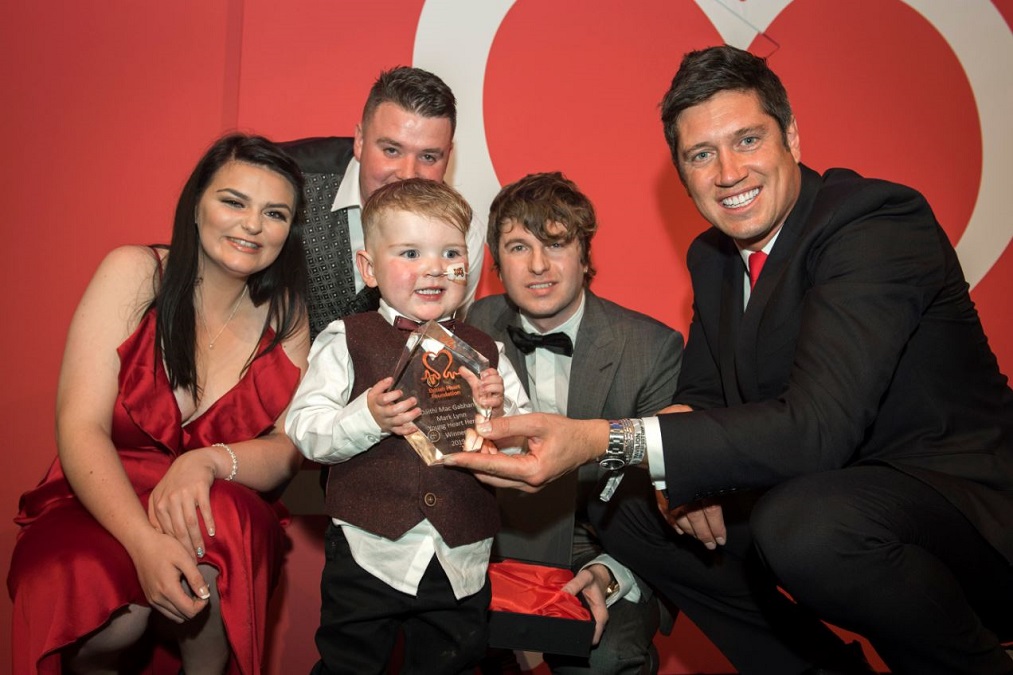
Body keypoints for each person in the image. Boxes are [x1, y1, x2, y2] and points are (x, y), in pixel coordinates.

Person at [444, 45, 1013, 674]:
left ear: (792, 135)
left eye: (747, 140)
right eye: (701, 155)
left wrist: (594, 440)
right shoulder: (712, 258)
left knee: (802, 525)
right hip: (820, 489)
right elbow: (705, 398)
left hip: (959, 506)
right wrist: (679, 476)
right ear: (682, 172)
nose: (728, 172)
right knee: (629, 504)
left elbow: (817, 430)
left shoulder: (871, 221)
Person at [7, 133, 311, 674]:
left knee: (225, 518)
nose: (252, 225)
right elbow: (80, 428)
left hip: (211, 509)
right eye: (233, 201)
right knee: (112, 611)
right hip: (99, 498)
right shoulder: (134, 272)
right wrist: (144, 544)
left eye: (275, 213)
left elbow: (289, 448)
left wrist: (208, 460)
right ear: (196, 205)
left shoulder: (287, 314)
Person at [285, 178, 530, 675]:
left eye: (450, 252)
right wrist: (366, 418)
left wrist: (496, 415)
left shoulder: (489, 352)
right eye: (411, 252)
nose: (434, 268)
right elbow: (303, 428)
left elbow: (525, 445)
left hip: (461, 557)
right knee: (347, 666)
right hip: (367, 549)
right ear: (368, 268)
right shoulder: (345, 338)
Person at [468, 172, 682, 675]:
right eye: (519, 246)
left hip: (601, 545)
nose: (538, 265)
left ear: (585, 258)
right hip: (489, 546)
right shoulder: (470, 326)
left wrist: (611, 572)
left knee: (607, 660)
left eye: (557, 243)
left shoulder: (652, 350)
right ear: (497, 263)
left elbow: (671, 491)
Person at [282, 65, 487, 339]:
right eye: (391, 150)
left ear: (448, 156)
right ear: (360, 140)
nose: (407, 173)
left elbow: (444, 336)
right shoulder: (292, 190)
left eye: (428, 157)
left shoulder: (464, 231)